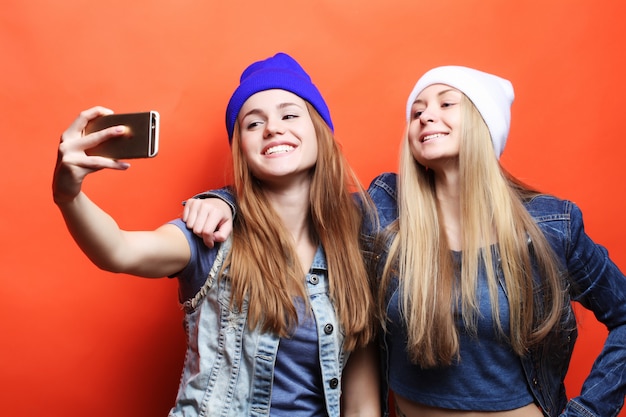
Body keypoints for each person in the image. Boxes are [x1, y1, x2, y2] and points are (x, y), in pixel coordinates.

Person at [185, 65, 626, 417]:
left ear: (484, 121)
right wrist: (224, 201)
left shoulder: (550, 225)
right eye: (416, 111)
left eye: (446, 103)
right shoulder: (387, 210)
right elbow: (297, 199)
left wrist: (588, 412)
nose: (425, 115)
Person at [52, 52, 381, 417]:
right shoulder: (213, 233)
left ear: (320, 131)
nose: (273, 128)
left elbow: (361, 401)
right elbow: (119, 250)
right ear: (241, 146)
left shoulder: (356, 243)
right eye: (253, 124)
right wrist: (69, 196)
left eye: (289, 114)